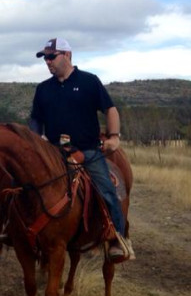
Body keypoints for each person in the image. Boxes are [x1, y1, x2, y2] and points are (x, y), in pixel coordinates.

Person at [28, 37, 130, 261]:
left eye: (51, 56)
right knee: (25, 187)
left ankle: (116, 238)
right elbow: (36, 119)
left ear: (68, 56)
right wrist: (35, 141)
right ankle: (14, 231)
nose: (47, 62)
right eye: (45, 58)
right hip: (54, 152)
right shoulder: (43, 89)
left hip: (88, 151)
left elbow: (110, 110)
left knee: (107, 191)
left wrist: (113, 137)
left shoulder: (89, 81)